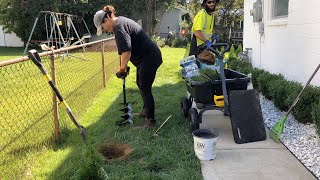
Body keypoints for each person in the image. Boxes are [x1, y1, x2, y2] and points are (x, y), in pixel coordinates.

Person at [93, 5, 162, 128]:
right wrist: (123, 66)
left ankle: (150, 121)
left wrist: (121, 69)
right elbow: (124, 51)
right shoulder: (120, 24)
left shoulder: (119, 28)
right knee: (140, 83)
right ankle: (146, 110)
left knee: (145, 86)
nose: (104, 30)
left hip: (149, 57)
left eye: (103, 27)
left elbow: (126, 52)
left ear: (107, 19)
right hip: (146, 58)